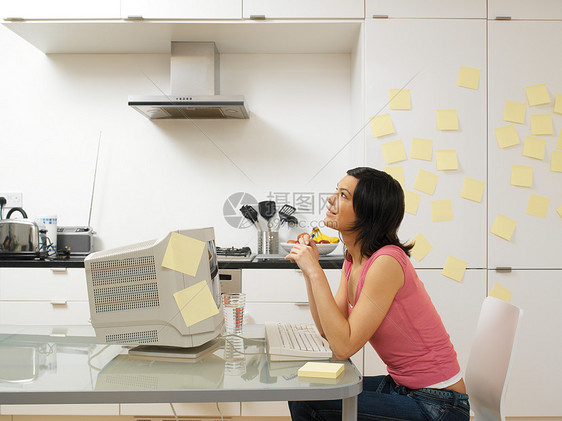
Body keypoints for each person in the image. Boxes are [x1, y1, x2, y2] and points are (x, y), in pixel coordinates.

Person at [284, 167, 470, 421]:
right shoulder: (354, 258)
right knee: (304, 390)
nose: (330, 199)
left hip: (439, 404)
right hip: (403, 389)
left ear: (368, 212)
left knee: (309, 401)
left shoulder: (386, 262)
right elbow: (330, 332)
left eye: (344, 195)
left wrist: (316, 271)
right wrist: (309, 271)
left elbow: (343, 348)